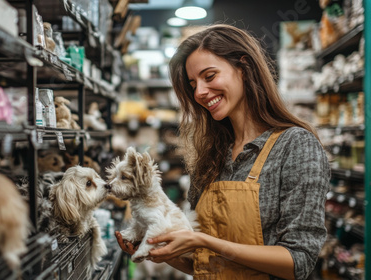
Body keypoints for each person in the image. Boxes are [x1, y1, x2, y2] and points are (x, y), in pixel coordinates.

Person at [115, 24, 330, 280]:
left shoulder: (295, 146)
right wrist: (158, 250)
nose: (199, 93)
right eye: (193, 84)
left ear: (244, 68)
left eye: (209, 76)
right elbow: (203, 264)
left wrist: (205, 242)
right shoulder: (211, 157)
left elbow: (299, 261)